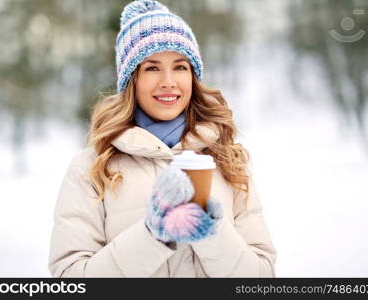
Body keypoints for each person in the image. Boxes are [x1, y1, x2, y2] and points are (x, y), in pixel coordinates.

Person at [48, 0, 276, 277]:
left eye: (180, 67)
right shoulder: (92, 166)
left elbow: (262, 276)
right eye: (152, 68)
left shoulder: (227, 159)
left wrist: (212, 235)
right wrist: (151, 236)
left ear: (193, 76)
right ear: (132, 79)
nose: (168, 81)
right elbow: (70, 278)